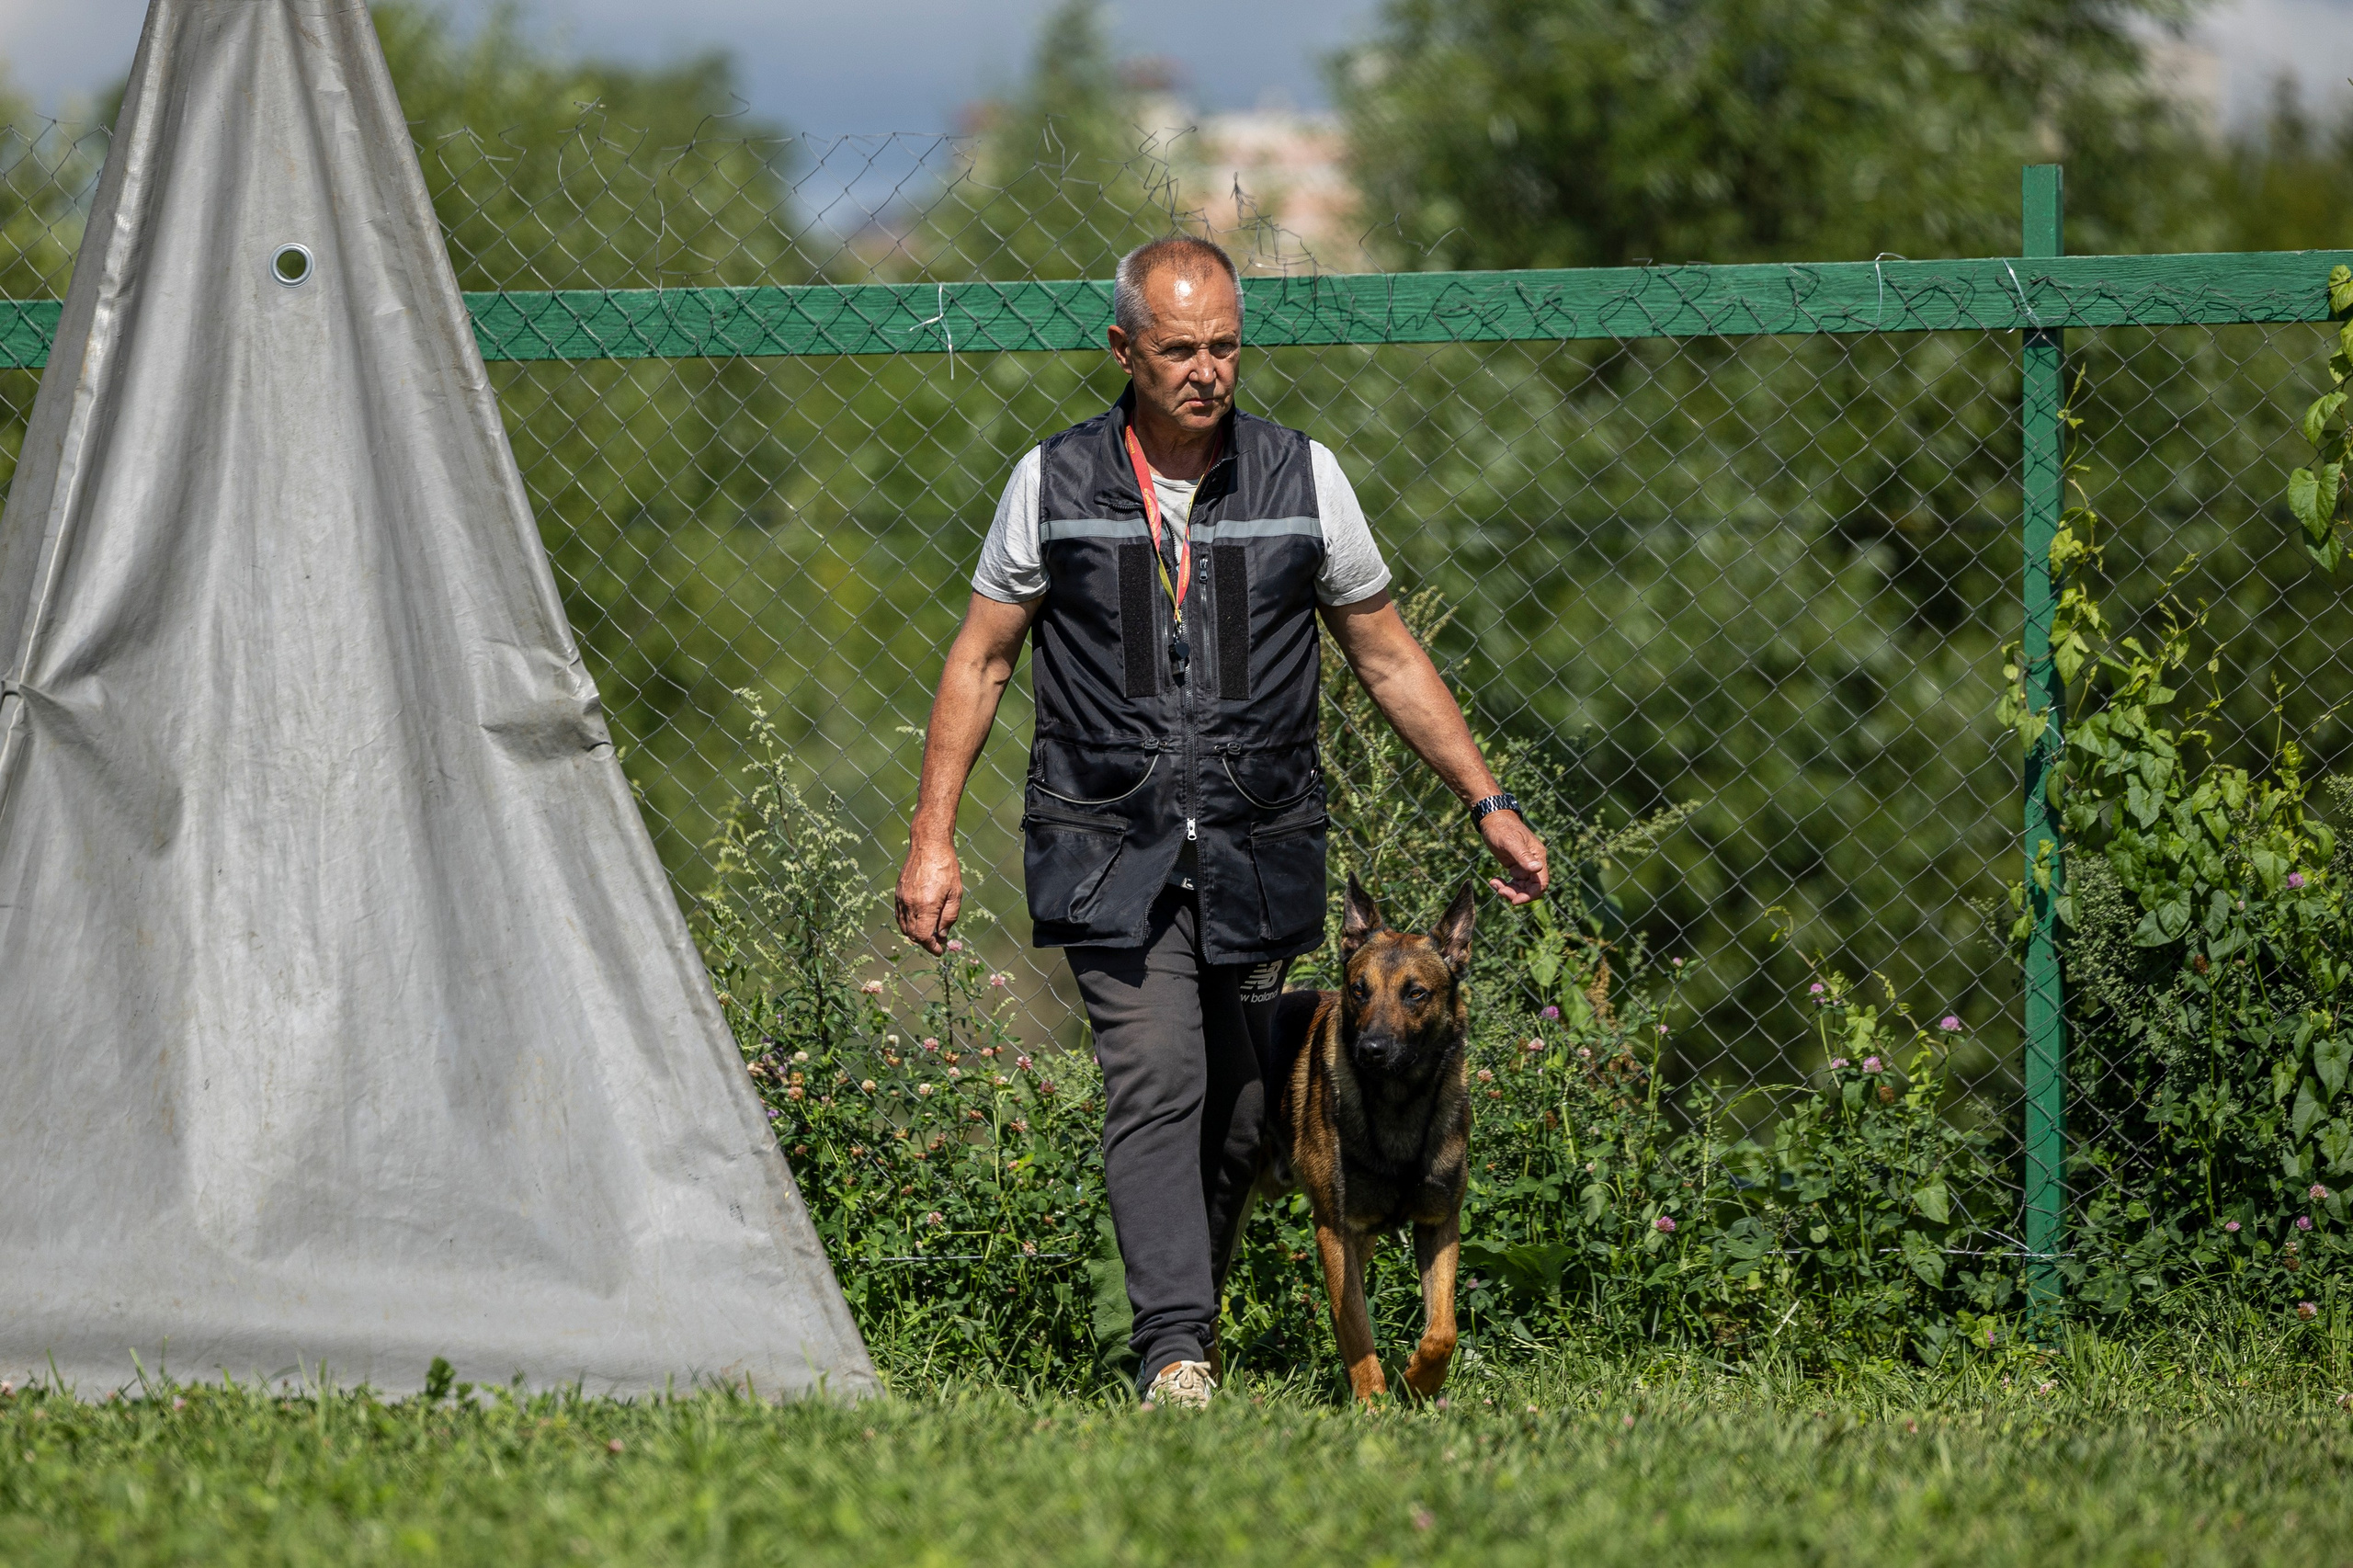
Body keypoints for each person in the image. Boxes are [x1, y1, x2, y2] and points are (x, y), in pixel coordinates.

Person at [893, 234, 1548, 1407]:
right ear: (1123, 349)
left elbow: (1386, 654)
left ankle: (1185, 1316)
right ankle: (1174, 1352)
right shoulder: (1051, 481)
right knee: (1156, 1071)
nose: (1207, 370)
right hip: (1107, 848)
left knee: (1247, 1112)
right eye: (1179, 349)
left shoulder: (1305, 477)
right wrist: (931, 837)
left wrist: (1485, 798)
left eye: (1225, 346)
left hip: (1256, 849)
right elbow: (982, 658)